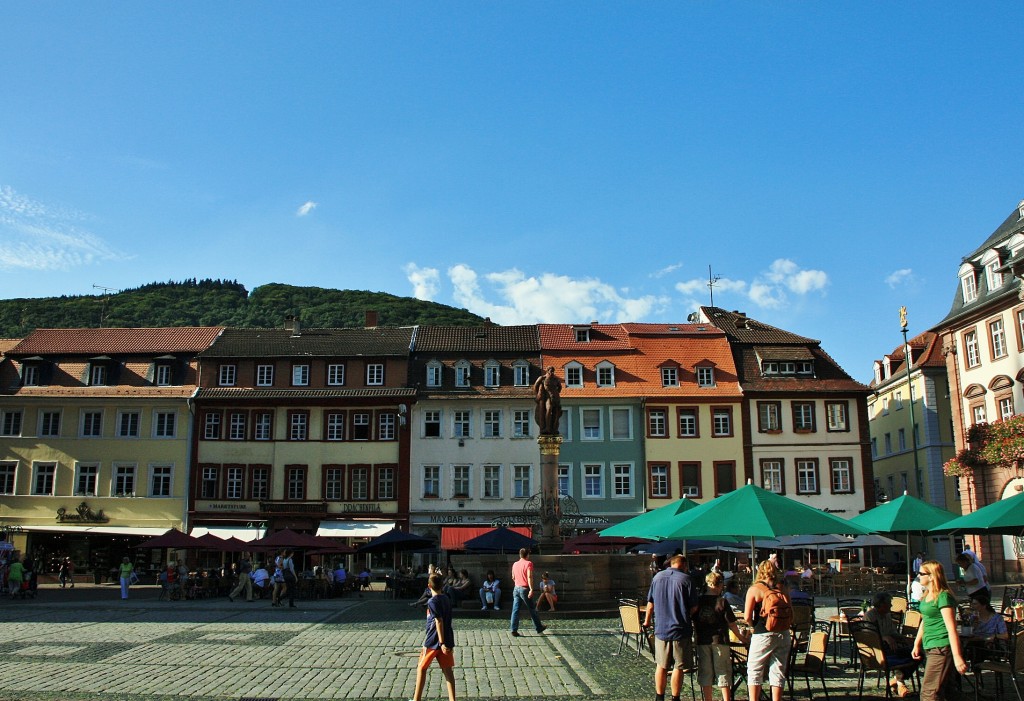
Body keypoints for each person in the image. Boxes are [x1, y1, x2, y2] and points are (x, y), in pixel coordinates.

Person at [912, 560, 968, 701]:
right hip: (930, 645)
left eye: (921, 573)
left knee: (929, 693)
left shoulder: (943, 596)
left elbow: (951, 628)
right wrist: (916, 643)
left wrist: (957, 657)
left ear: (932, 576)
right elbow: (925, 621)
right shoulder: (926, 596)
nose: (918, 576)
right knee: (946, 691)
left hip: (941, 646)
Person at [644, 554, 697, 701]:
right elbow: (694, 607)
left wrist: (647, 621)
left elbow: (650, 603)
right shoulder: (687, 580)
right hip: (681, 628)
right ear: (684, 565)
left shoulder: (657, 577)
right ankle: (675, 697)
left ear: (671, 563)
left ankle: (659, 696)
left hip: (662, 628)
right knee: (679, 666)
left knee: (661, 664)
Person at [744, 560, 791, 701]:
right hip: (783, 632)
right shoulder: (782, 587)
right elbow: (790, 610)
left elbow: (747, 616)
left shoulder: (755, 589)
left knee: (754, 669)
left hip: (763, 633)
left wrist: (752, 625)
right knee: (778, 670)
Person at [695, 571, 746, 701]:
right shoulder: (722, 601)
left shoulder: (698, 601)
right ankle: (726, 699)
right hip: (720, 640)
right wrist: (742, 638)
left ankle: (708, 699)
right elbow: (732, 624)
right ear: (718, 585)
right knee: (723, 671)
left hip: (702, 640)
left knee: (706, 673)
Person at [410, 572, 457, 701]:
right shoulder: (446, 598)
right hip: (448, 637)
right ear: (442, 585)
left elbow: (439, 621)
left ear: (428, 586)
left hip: (433, 640)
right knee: (448, 671)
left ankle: (416, 699)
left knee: (421, 667)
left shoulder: (432, 601)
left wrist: (441, 643)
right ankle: (453, 699)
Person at [865, 591, 915, 697]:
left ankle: (897, 679)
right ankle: (900, 683)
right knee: (908, 654)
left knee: (917, 653)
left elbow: (892, 632)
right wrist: (884, 637)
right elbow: (869, 637)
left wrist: (903, 638)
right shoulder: (870, 616)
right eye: (889, 603)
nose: (891, 606)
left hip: (891, 646)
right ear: (881, 605)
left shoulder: (887, 614)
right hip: (878, 652)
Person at [509, 548, 547, 637]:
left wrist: (517, 584)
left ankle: (513, 629)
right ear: (527, 555)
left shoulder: (515, 564)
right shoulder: (528, 563)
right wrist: (531, 589)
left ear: (520, 555)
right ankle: (538, 627)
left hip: (516, 588)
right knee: (532, 609)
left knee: (515, 609)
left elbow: (513, 577)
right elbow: (529, 576)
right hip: (524, 588)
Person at [532, 366, 563, 435]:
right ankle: (547, 427)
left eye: (553, 371)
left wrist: (556, 393)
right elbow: (535, 386)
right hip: (546, 397)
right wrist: (539, 394)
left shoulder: (556, 379)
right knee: (548, 409)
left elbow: (560, 387)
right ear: (547, 371)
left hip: (555, 397)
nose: (552, 372)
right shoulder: (542, 378)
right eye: (550, 370)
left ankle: (554, 428)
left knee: (555, 412)